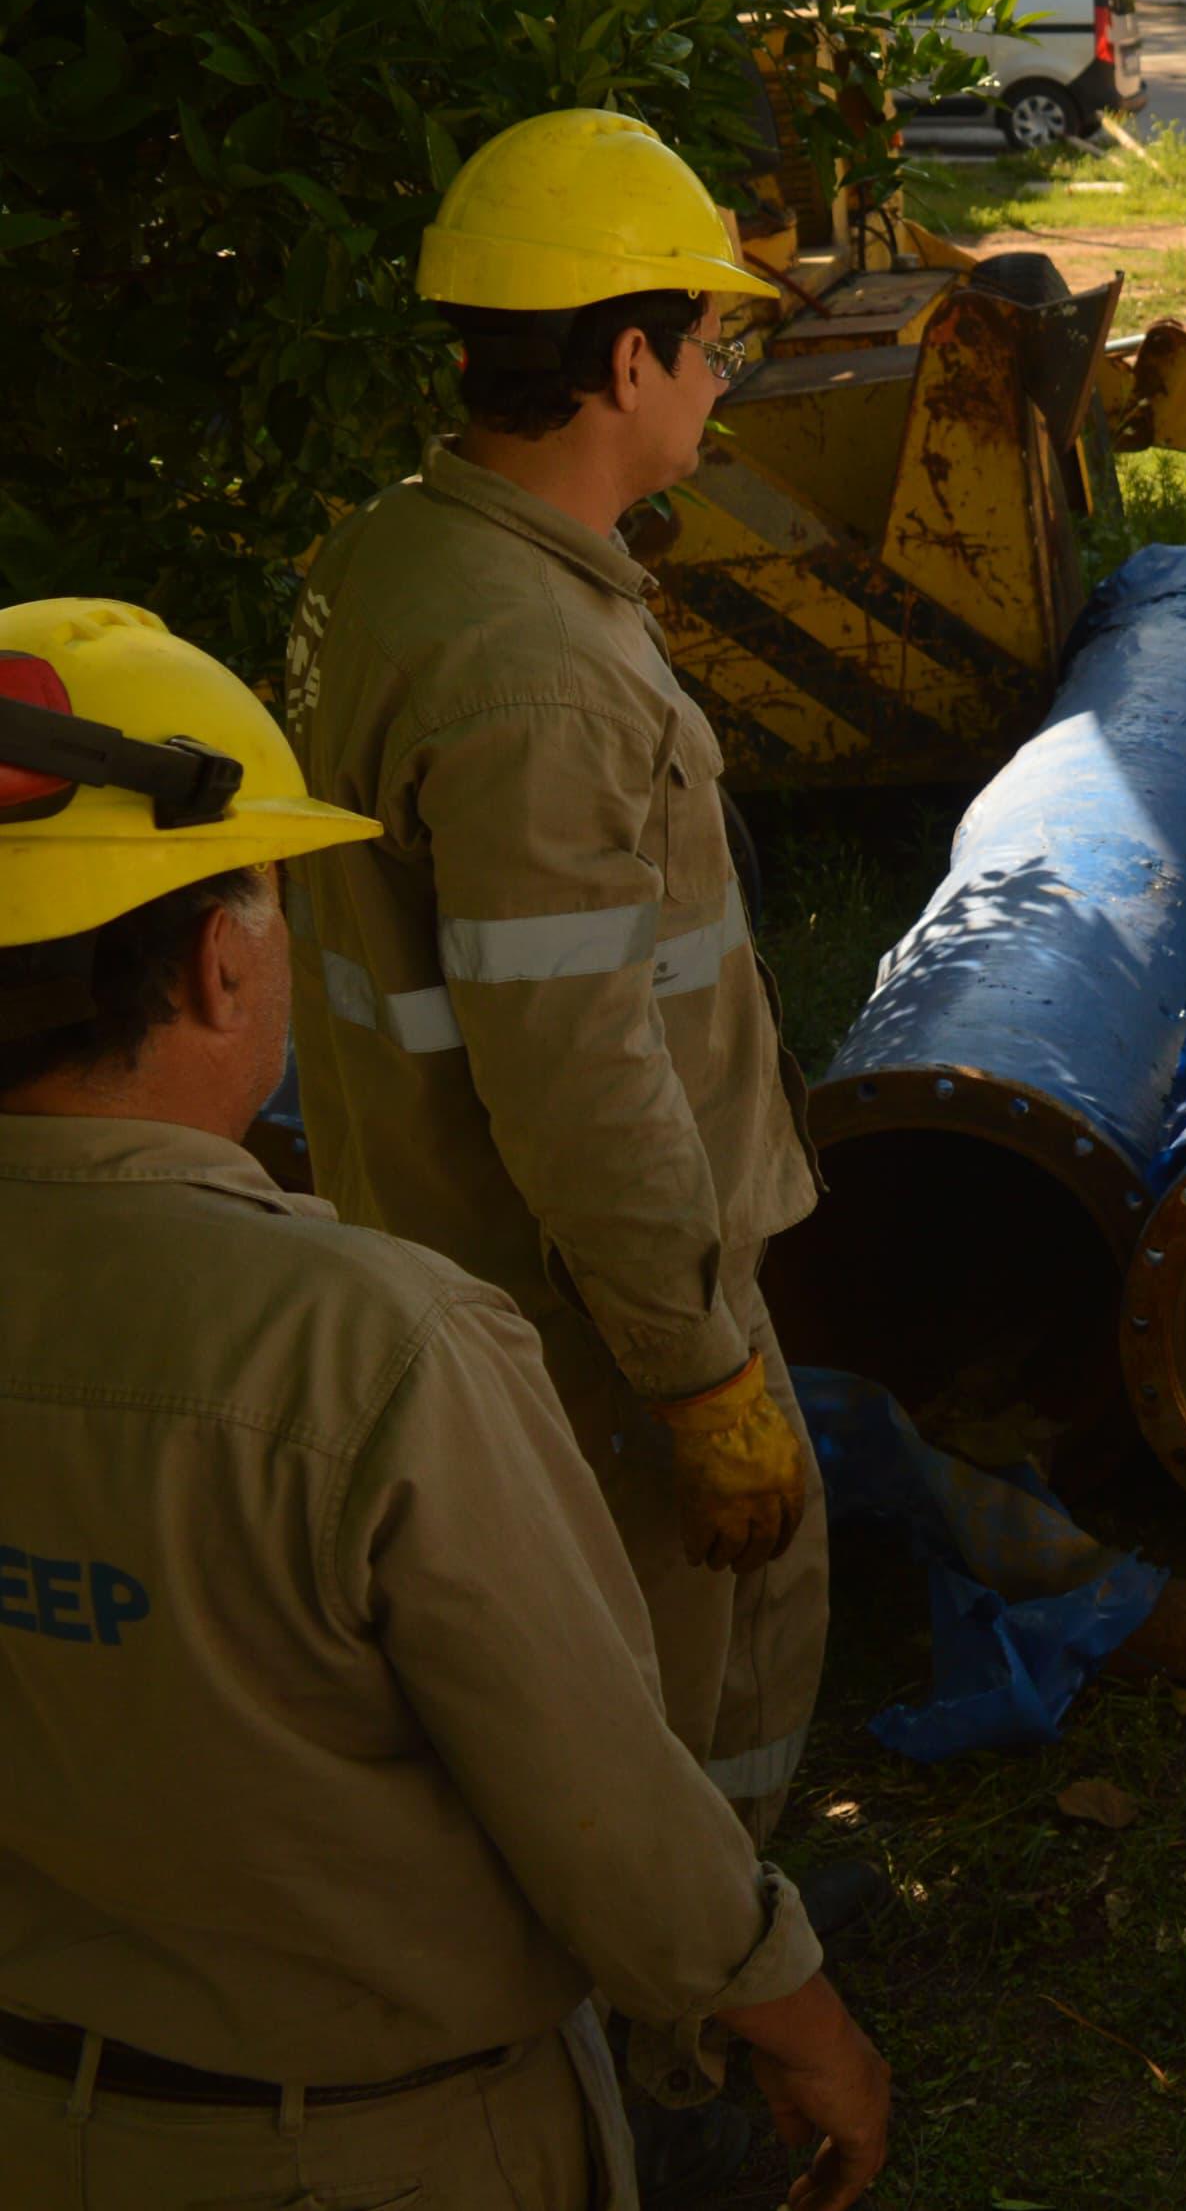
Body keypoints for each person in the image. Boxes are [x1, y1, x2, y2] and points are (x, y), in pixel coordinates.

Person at [0, 598, 890, 2211]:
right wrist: (797, 2012)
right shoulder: (371, 1353)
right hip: (375, 2147)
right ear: (218, 963)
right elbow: (603, 1798)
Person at [286, 110, 827, 1842]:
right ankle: (691, 2044)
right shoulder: (539, 686)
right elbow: (583, 1079)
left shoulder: (406, 558)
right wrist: (697, 1371)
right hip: (588, 1306)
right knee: (682, 1677)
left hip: (456, 1249)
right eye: (712, 339)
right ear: (624, 356)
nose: (723, 380)